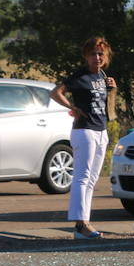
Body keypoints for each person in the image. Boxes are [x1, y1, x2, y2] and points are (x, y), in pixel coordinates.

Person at [50, 36, 118, 239]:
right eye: (93, 54)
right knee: (82, 177)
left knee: (92, 179)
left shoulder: (103, 76)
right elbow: (56, 93)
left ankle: (85, 222)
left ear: (105, 57)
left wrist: (112, 88)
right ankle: (80, 224)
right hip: (84, 130)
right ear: (86, 56)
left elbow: (107, 104)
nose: (97, 57)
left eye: (100, 54)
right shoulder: (80, 76)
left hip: (101, 130)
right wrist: (72, 107)